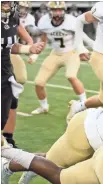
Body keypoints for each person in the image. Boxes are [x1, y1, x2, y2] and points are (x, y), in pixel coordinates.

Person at [31, 1, 92, 115]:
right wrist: (35, 55)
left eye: (60, 10)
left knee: (71, 76)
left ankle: (84, 104)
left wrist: (84, 48)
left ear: (64, 10)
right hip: (55, 54)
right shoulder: (44, 21)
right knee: (39, 82)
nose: (58, 13)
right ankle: (44, 107)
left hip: (71, 53)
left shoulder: (71, 21)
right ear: (50, 11)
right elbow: (43, 40)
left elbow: (81, 35)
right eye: (55, 10)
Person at [1, 1, 44, 146]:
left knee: (10, 99)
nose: (6, 5)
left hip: (5, 64)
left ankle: (7, 138)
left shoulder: (12, 16)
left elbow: (9, 45)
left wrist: (29, 48)